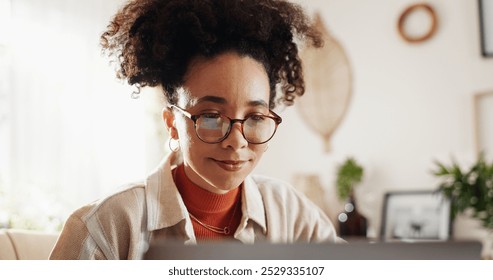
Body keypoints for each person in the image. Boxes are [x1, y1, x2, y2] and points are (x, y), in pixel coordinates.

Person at [50, 0, 343, 260]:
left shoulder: (291, 214)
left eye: (254, 117)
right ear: (171, 124)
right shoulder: (104, 228)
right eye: (212, 116)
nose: (237, 142)